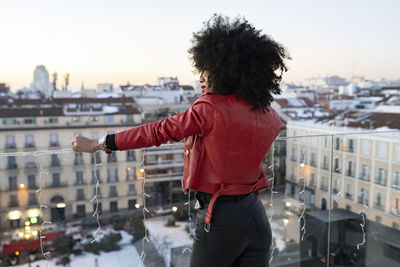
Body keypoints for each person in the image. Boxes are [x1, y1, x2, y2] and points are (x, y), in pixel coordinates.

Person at [71, 14, 289, 267]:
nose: (201, 77)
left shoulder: (210, 108)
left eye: (206, 71)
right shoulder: (269, 115)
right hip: (256, 215)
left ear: (224, 70)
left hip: (219, 218)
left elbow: (157, 132)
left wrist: (99, 143)